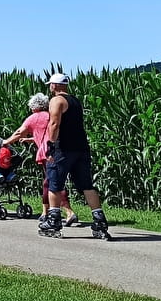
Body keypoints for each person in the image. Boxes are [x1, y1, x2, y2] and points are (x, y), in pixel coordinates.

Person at [38, 73, 110, 240]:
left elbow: (54, 124)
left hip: (63, 149)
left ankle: (54, 221)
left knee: (55, 184)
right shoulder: (75, 101)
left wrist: (50, 146)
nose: (50, 87)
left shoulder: (56, 101)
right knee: (87, 186)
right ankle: (100, 222)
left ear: (54, 86)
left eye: (51, 85)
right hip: (81, 149)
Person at [3, 93, 75, 225]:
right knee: (50, 182)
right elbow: (46, 132)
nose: (30, 109)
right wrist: (30, 139)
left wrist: (7, 142)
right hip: (60, 150)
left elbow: (19, 132)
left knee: (53, 183)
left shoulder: (34, 117)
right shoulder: (50, 114)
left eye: (31, 106)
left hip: (47, 153)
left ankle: (68, 212)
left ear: (35, 106)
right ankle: (46, 211)